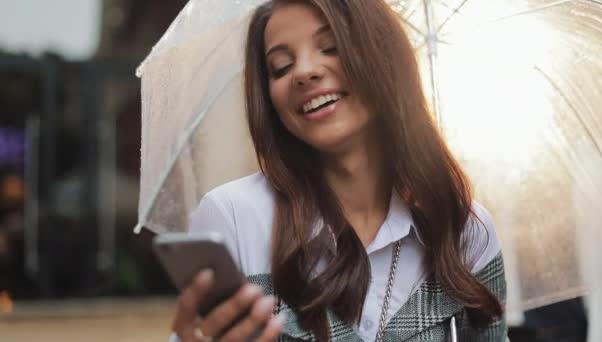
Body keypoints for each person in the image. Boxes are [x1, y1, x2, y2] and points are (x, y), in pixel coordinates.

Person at [171, 0, 508, 341]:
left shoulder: (465, 231)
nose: (303, 72)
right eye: (281, 67)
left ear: (384, 58)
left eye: (330, 47)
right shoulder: (232, 217)